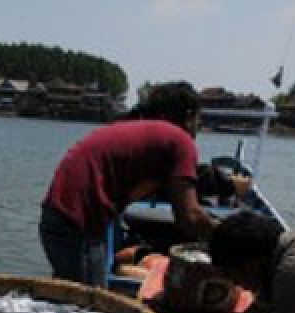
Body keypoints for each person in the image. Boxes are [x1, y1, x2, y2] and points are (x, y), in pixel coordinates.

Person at [38, 82, 224, 287]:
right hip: (79, 225)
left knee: (73, 296)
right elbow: (189, 218)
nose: (199, 126)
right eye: (199, 119)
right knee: (92, 305)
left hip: (57, 217)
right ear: (190, 115)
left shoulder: (133, 128)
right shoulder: (181, 141)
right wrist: (231, 236)